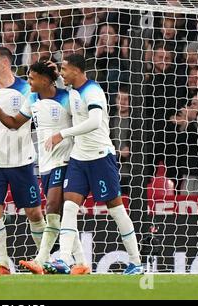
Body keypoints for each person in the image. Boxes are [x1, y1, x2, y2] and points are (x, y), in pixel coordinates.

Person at [45, 54, 143, 275]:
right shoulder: (72, 91)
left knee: (116, 210)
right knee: (69, 207)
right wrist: (56, 77)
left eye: (64, 69)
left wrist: (63, 133)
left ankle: (136, 262)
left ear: (77, 71)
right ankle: (63, 259)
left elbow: (95, 121)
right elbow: (66, 93)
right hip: (79, 157)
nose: (62, 72)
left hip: (100, 156)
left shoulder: (93, 91)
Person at [0, 60, 89, 275]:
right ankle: (80, 262)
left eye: (32, 78)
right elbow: (14, 123)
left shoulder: (67, 98)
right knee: (57, 213)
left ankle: (42, 259)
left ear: (45, 80)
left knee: (52, 207)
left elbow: (84, 120)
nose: (29, 82)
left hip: (65, 161)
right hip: (44, 163)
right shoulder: (32, 99)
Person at [0, 47, 45, 275]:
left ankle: (43, 259)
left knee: (34, 213)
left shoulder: (25, 89)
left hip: (21, 161)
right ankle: (2, 263)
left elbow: (25, 121)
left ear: (5, 63)